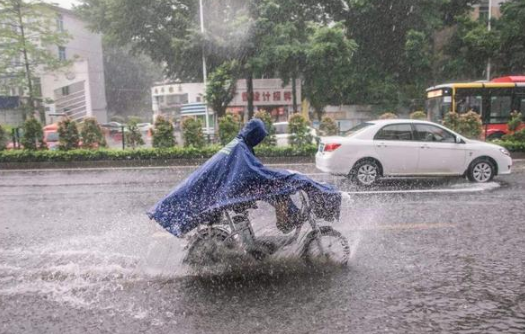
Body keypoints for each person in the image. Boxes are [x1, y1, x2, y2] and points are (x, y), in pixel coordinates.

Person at [147, 118, 340, 237]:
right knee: (278, 189)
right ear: (255, 135)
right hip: (227, 190)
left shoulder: (239, 144)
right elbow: (252, 171)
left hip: (225, 187)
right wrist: (280, 176)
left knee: (277, 190)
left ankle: (286, 218)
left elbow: (251, 169)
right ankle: (286, 221)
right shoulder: (240, 148)